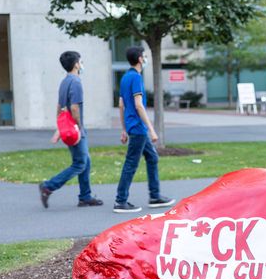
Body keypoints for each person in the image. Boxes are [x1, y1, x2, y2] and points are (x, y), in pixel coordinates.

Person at [114, 46, 175, 213]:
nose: (146, 58)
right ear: (140, 59)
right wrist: (152, 129)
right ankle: (120, 201)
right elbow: (138, 105)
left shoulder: (125, 77)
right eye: (145, 56)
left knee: (152, 157)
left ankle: (155, 196)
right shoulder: (136, 78)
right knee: (131, 164)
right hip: (139, 129)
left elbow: (121, 104)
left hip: (132, 127)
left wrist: (124, 129)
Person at [38, 51, 103, 209]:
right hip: (75, 128)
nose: (82, 64)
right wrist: (79, 127)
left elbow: (60, 108)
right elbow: (74, 108)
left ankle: (85, 196)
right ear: (76, 64)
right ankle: (48, 186)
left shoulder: (65, 82)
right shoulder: (76, 82)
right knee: (80, 163)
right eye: (81, 61)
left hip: (68, 127)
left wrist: (59, 129)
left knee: (85, 161)